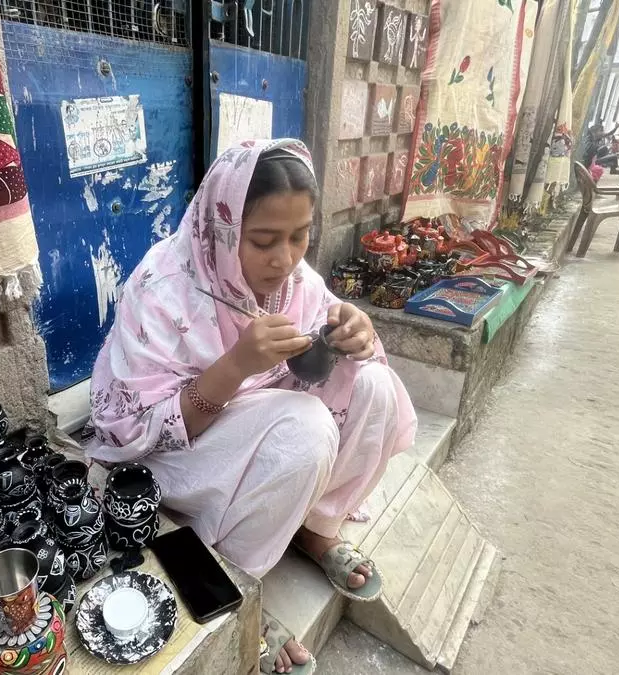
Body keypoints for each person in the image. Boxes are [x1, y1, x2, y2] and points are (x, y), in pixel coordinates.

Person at [87, 139, 417, 674]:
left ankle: (313, 528)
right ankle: (234, 576)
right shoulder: (162, 289)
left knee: (373, 382)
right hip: (174, 455)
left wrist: (355, 332)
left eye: (299, 236)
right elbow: (133, 432)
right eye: (263, 240)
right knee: (303, 429)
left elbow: (322, 342)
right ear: (220, 230)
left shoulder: (296, 282)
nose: (284, 259)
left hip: (254, 427)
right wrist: (235, 365)